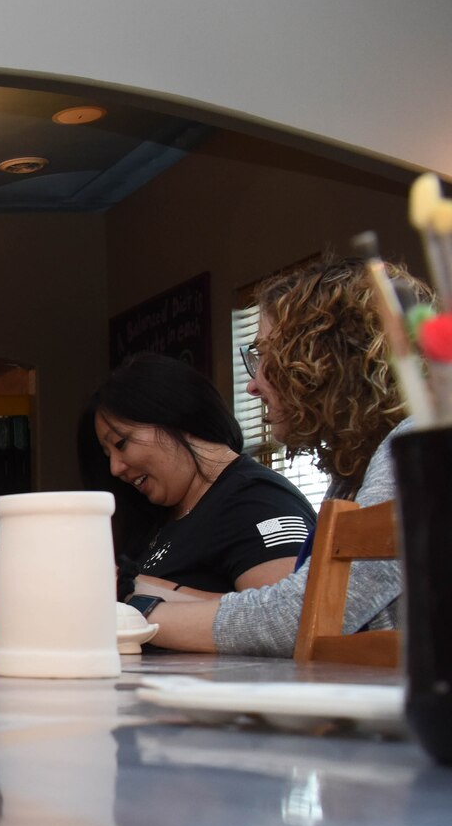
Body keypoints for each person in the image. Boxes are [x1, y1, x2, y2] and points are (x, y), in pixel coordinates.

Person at [134, 257, 424, 653]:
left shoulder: (415, 447)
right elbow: (298, 606)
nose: (252, 385)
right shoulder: (354, 474)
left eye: (264, 355)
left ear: (324, 359)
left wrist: (134, 616)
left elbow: (300, 616)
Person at [88, 353, 312, 595]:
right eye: (107, 454)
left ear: (174, 415)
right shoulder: (165, 519)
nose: (115, 467)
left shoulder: (258, 501)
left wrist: (139, 595)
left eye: (121, 444)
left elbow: (279, 620)